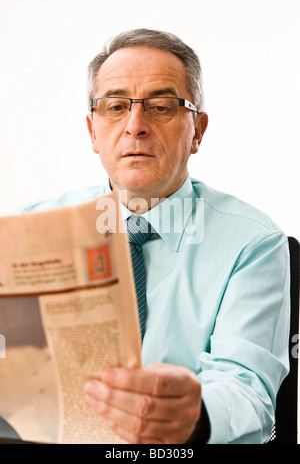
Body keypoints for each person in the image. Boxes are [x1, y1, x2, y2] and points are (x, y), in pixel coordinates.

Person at [18, 29, 290, 444]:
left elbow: (246, 388)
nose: (135, 126)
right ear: (93, 132)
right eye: (115, 106)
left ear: (197, 131)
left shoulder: (253, 242)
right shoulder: (26, 233)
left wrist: (193, 415)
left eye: (161, 107)